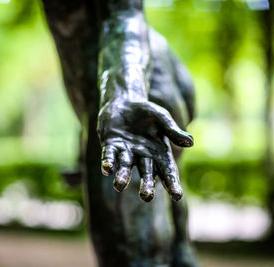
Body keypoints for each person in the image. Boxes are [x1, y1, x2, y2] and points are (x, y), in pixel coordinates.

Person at [42, 0, 197, 266]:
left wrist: (125, 93)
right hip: (151, 73)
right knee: (170, 191)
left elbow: (124, 15)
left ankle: (180, 249)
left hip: (133, 91)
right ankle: (182, 248)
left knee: (133, 256)